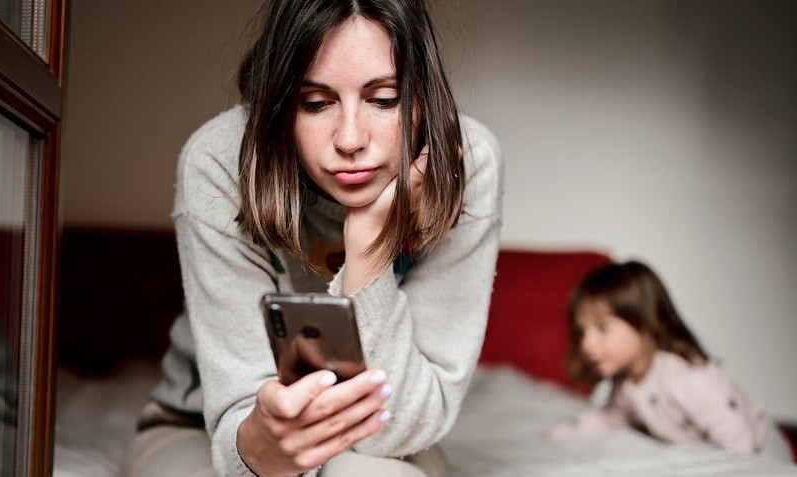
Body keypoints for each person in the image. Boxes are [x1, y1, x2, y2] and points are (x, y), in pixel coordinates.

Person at [120, 0, 503, 476]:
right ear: (282, 103)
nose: (349, 139)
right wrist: (264, 448)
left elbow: (407, 424)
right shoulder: (221, 162)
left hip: (390, 439)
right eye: (316, 103)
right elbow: (243, 434)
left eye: (383, 99)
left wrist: (369, 250)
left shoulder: (466, 165)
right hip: (202, 424)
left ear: (425, 96)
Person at [546, 261, 792, 461]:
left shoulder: (684, 375)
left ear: (643, 321)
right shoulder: (626, 383)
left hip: (761, 449)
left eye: (602, 328)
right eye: (582, 332)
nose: (587, 344)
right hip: (712, 450)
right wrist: (563, 433)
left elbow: (740, 440)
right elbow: (612, 417)